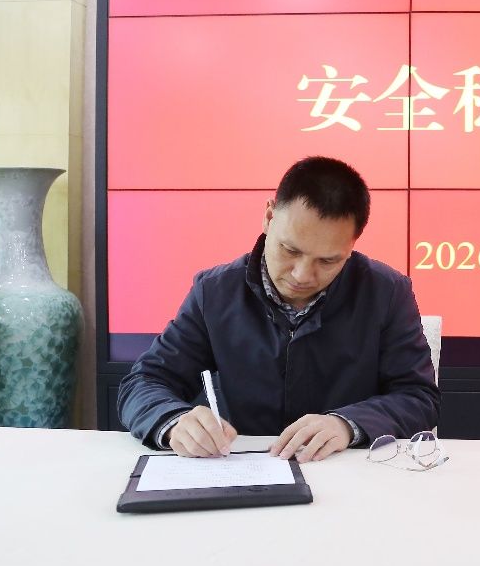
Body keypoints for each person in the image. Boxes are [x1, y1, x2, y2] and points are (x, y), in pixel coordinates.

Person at [118, 156, 439, 462]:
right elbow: (144, 382)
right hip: (243, 471)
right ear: (269, 216)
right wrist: (174, 421)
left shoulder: (386, 292)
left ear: (353, 243)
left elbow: (418, 397)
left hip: (344, 472)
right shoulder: (215, 292)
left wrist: (347, 424)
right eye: (290, 250)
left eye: (327, 261)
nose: (302, 275)